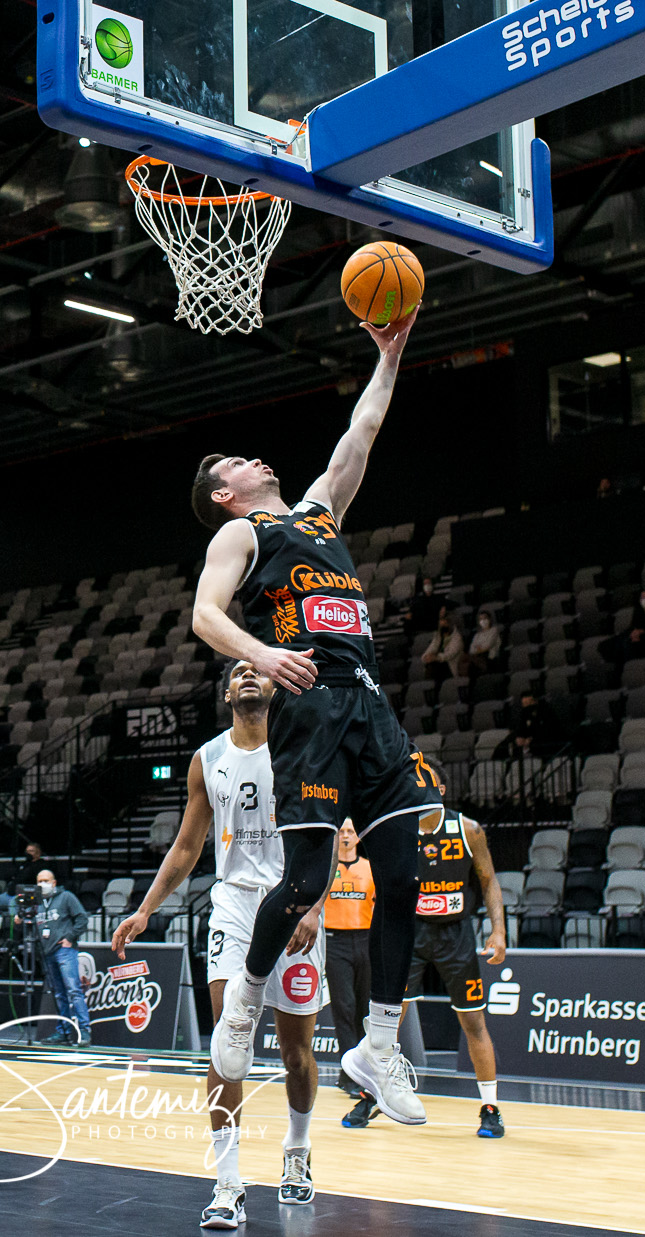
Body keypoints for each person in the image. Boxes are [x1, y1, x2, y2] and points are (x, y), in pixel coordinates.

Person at [188, 303, 441, 1128]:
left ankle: (377, 1046)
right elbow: (205, 615)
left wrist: (390, 355)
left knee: (405, 871)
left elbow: (363, 429)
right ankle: (242, 1006)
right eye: (238, 461)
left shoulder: (320, 509)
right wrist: (262, 656)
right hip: (312, 704)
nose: (256, 457)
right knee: (303, 880)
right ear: (226, 492)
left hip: (369, 702)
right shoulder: (241, 537)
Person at [111, 661, 328, 1224]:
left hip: (293, 900)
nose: (249, 675)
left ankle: (297, 1151)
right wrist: (145, 909)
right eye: (238, 671)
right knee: (225, 1044)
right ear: (228, 693)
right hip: (233, 905)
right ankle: (227, 1182)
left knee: (296, 1054)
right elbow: (186, 846)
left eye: (259, 670)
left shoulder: (301, 747)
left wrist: (315, 905)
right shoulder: (207, 758)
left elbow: (328, 834)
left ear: (278, 686)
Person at [395, 782, 508, 1138]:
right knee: (387, 1018)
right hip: (413, 932)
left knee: (473, 1021)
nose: (416, 787)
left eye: (424, 781)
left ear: (441, 788)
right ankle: (372, 1093)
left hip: (455, 934)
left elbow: (489, 881)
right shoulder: (400, 829)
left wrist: (498, 931)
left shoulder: (468, 829)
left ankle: (490, 1108)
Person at [322, 824, 374, 1115]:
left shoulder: (369, 868)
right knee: (344, 1007)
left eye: (350, 832)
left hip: (364, 940)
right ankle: (350, 1074)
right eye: (341, 831)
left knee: (363, 1011)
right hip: (335, 940)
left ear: (358, 837)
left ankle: (358, 1073)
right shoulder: (327, 869)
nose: (345, 836)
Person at [19, 869, 90, 1044]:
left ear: (54, 883)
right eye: (39, 881)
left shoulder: (66, 897)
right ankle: (63, 1031)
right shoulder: (36, 903)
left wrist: (70, 938)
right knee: (59, 994)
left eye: (46, 880)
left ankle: (84, 1030)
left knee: (73, 990)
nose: (42, 884)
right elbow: (26, 922)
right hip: (47, 952)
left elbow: (82, 918)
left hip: (64, 950)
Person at [419, 607, 469, 684]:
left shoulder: (457, 638)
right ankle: (430, 686)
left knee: (433, 667)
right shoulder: (438, 637)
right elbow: (432, 647)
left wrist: (436, 657)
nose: (442, 626)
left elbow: (450, 654)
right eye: (441, 624)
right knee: (430, 666)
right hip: (437, 664)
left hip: (450, 665)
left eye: (445, 624)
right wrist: (427, 656)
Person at [505, 694, 561, 760]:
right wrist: (519, 737)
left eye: (528, 703)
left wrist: (531, 738)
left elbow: (547, 729)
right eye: (524, 704)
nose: (527, 706)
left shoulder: (545, 712)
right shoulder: (523, 714)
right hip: (528, 739)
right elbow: (521, 727)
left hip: (543, 742)